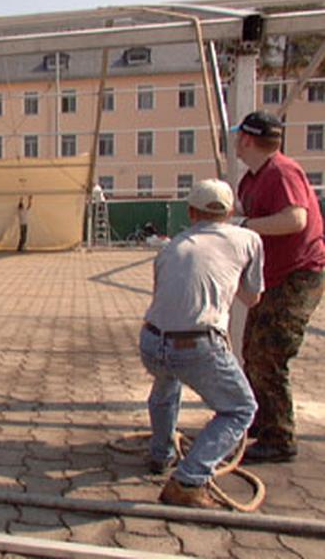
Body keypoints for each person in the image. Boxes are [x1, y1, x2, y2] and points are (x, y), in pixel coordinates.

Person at [140, 179, 263, 508]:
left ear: (191, 212)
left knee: (167, 382)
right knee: (240, 409)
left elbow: (165, 298)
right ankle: (189, 479)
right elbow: (251, 298)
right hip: (197, 346)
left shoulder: (171, 247)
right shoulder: (248, 239)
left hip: (152, 341)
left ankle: (161, 454)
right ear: (231, 212)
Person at [233, 111, 325, 463]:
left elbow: (295, 219)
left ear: (247, 139)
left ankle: (280, 437)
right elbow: (244, 211)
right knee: (251, 350)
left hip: (299, 275)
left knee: (268, 354)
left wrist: (245, 224)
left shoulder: (282, 172)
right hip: (275, 276)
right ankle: (260, 419)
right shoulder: (252, 179)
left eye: (238, 137)